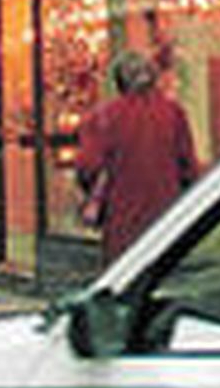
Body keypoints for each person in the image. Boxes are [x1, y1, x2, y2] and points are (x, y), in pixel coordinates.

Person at [76, 49, 200, 264]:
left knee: (125, 277)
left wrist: (95, 196)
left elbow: (88, 167)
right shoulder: (174, 113)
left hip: (123, 219)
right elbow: (188, 168)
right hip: (167, 216)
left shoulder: (105, 116)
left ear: (119, 81)